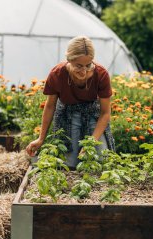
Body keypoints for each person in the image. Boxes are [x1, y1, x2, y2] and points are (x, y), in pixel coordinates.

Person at [26, 36, 115, 168]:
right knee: (69, 164)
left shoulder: (101, 74)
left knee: (101, 160)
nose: (84, 71)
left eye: (88, 65)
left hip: (93, 115)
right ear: (69, 60)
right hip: (67, 116)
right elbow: (50, 107)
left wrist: (91, 142)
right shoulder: (57, 74)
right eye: (78, 66)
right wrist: (41, 138)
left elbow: (105, 113)